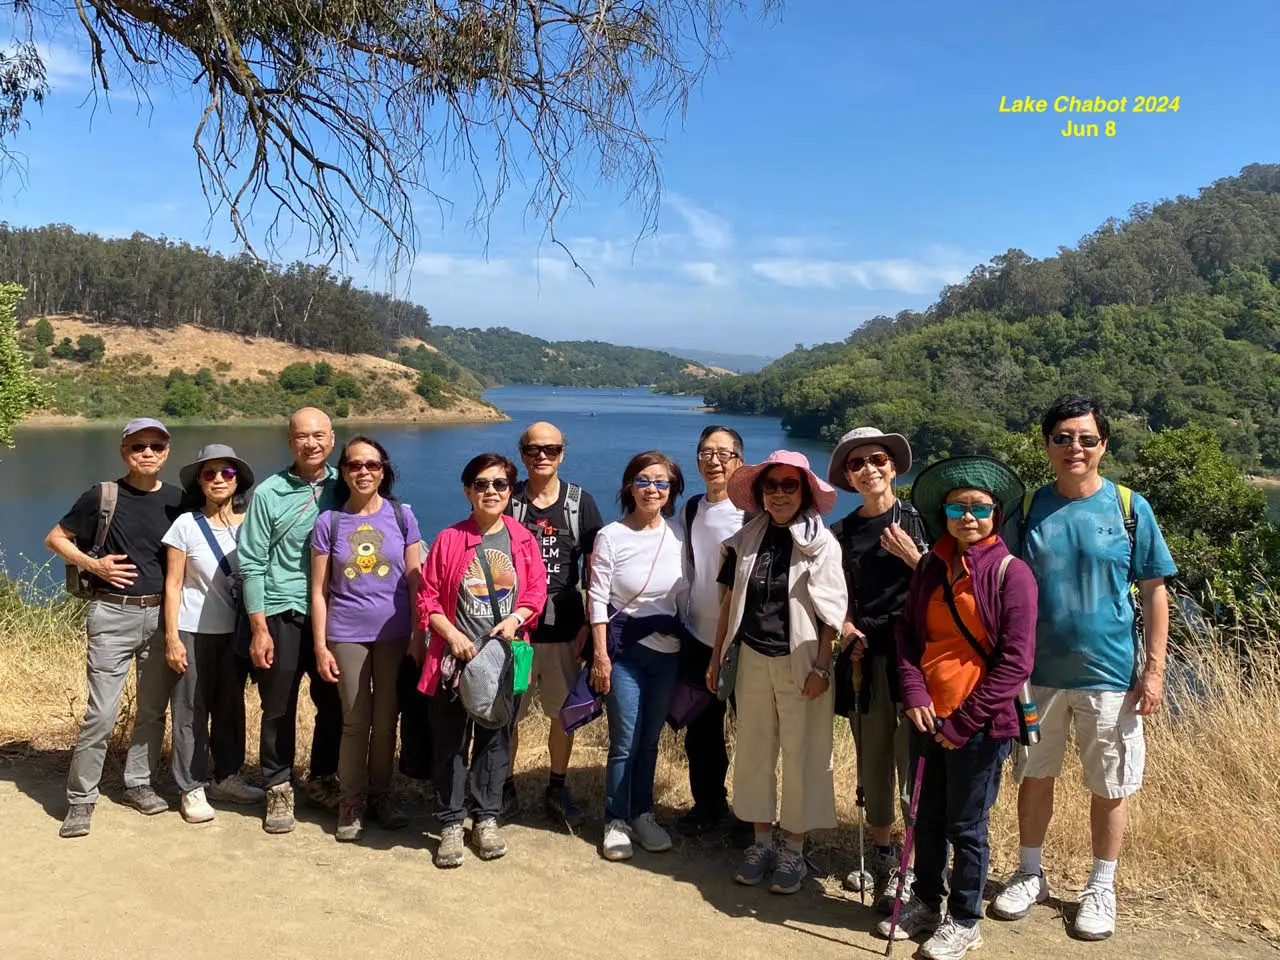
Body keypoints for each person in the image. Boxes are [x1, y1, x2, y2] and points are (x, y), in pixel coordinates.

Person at [992, 396, 1176, 941]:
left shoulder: (1128, 506)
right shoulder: (1026, 508)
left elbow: (1154, 589)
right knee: (1034, 776)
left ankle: (1102, 885)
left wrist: (1155, 669)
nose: (1075, 447)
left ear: (1103, 445)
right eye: (1063, 437)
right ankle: (1030, 873)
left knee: (1110, 784)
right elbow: (998, 581)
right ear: (1046, 443)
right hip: (1036, 674)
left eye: (1087, 438)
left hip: (1111, 673)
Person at [877, 456, 1036, 960]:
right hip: (928, 714)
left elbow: (1016, 662)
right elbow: (906, 636)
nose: (968, 516)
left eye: (979, 508)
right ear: (943, 513)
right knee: (923, 816)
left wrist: (965, 721)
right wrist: (915, 694)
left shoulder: (1013, 575)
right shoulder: (930, 566)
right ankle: (927, 900)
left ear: (996, 514)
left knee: (967, 825)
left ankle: (965, 919)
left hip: (981, 724)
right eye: (956, 507)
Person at [709, 450, 847, 894]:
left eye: (790, 485)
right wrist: (716, 659)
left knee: (803, 754)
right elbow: (729, 602)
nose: (780, 493)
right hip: (752, 656)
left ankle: (794, 848)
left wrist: (823, 667)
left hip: (802, 660)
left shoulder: (822, 544)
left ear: (804, 491)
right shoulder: (746, 537)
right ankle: (761, 840)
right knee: (754, 750)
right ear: (760, 492)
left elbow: (831, 613)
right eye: (772, 486)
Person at [45, 418, 185, 838]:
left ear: (166, 452)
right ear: (124, 451)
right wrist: (93, 564)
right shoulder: (103, 495)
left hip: (162, 617)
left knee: (151, 710)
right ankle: (80, 800)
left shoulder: (179, 502)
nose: (147, 453)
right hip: (112, 615)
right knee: (101, 714)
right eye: (138, 445)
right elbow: (55, 538)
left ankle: (138, 783)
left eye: (156, 446)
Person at [416, 453, 547, 868]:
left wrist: (515, 619)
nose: (491, 491)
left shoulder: (522, 539)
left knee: (495, 741)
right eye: (482, 484)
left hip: (503, 660)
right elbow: (428, 598)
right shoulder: (450, 539)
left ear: (511, 490)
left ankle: (485, 817)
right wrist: (452, 635)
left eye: (501, 484)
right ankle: (451, 822)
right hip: (454, 661)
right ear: (467, 490)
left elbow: (536, 594)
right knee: (451, 743)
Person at [826, 427, 930, 908]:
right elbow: (836, 597)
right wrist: (846, 629)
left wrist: (917, 559)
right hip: (866, 658)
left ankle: (913, 862)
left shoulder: (921, 520)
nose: (869, 468)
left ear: (893, 466)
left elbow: (954, 585)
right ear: (848, 476)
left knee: (914, 758)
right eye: (857, 463)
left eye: (878, 459)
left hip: (916, 658)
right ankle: (884, 854)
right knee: (873, 757)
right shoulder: (841, 534)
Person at [238, 406, 345, 834]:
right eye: (302, 436)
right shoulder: (268, 492)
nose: (311, 443)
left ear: (332, 439)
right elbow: (251, 563)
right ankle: (278, 785)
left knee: (334, 704)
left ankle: (322, 778)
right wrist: (259, 628)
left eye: (319, 435)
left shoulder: (347, 484)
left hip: (335, 616)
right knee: (278, 706)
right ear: (290, 442)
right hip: (282, 612)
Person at [311, 437, 422, 842]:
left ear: (383, 470)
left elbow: (415, 581)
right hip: (346, 633)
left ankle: (382, 795)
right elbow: (319, 591)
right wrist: (321, 645)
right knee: (356, 719)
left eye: (372, 465)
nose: (364, 472)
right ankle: (351, 800)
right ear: (343, 471)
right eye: (355, 465)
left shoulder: (402, 515)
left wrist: (419, 632)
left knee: (386, 716)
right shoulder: (330, 522)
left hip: (394, 633)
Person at [589, 451, 690, 862]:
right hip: (624, 651)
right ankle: (615, 819)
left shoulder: (680, 534)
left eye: (662, 482)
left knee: (650, 739)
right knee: (625, 740)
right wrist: (600, 656)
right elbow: (596, 598)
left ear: (672, 491)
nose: (653, 489)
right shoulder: (611, 535)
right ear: (629, 485)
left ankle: (642, 813)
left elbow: (687, 595)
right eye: (644, 480)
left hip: (668, 651)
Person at [506, 421, 605, 826]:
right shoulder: (506, 499)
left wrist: (590, 621)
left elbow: (596, 568)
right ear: (522, 454)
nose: (541, 456)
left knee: (561, 716)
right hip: (516, 634)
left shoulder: (580, 503)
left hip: (564, 631)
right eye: (533, 450)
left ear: (562, 453)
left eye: (550, 449)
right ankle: (503, 786)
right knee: (507, 713)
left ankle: (557, 787)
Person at [161, 443, 263, 824]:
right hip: (193, 630)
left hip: (235, 634)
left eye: (227, 473)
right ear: (199, 482)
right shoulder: (185, 526)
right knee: (190, 710)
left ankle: (227, 776)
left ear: (238, 481)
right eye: (210, 474)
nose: (219, 480)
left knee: (231, 707)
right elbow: (173, 586)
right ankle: (190, 786)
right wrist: (171, 637)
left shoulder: (252, 524)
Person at [677, 424, 747, 837]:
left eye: (724, 454)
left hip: (743, 643)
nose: (714, 461)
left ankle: (749, 815)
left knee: (752, 731)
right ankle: (708, 805)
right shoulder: (691, 508)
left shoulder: (752, 511)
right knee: (701, 731)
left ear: (740, 461)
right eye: (706, 453)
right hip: (698, 637)